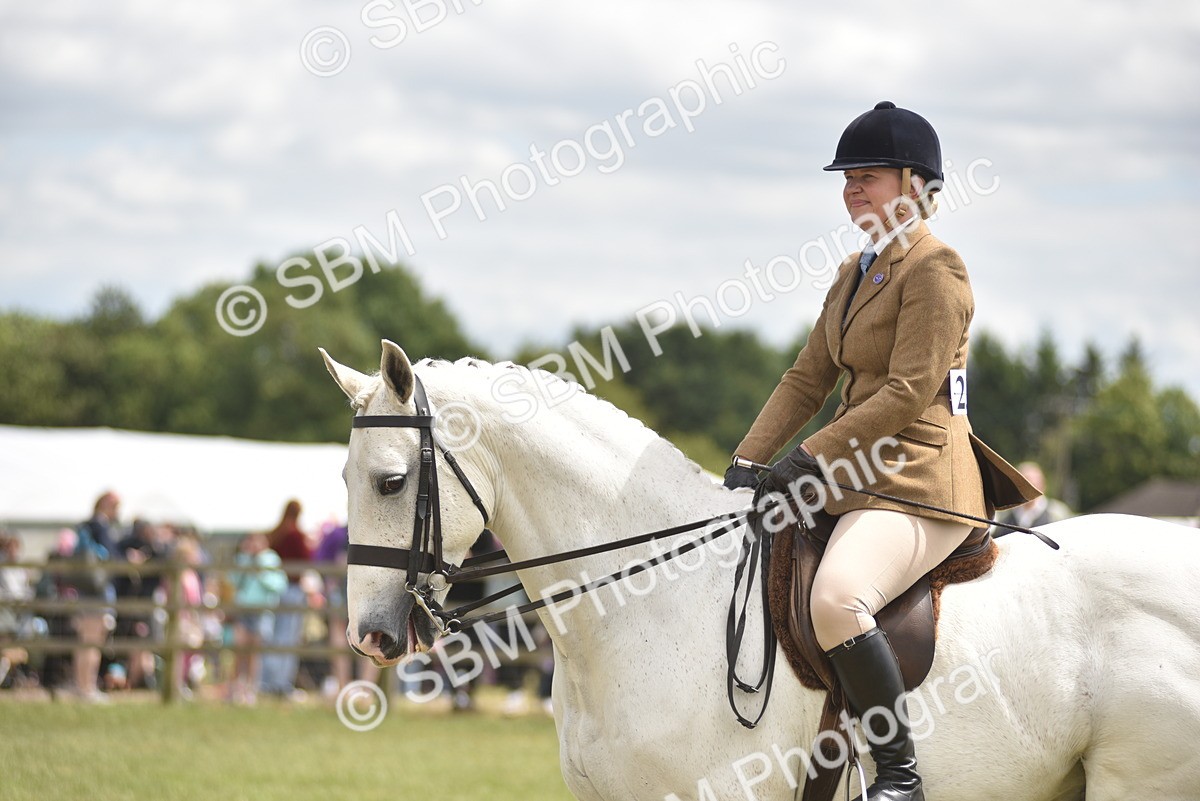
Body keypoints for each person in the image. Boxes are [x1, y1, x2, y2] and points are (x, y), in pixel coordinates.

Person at [723, 102, 1037, 801]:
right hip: (858, 478)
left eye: (867, 177)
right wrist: (749, 459)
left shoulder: (937, 268)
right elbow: (807, 378)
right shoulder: (852, 270)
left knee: (836, 599)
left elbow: (905, 389)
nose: (852, 190)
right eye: (847, 179)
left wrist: (808, 458)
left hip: (922, 480)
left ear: (916, 185)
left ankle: (900, 776)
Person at [260, 500, 315, 698]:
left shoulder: (276, 533)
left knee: (274, 637)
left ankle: (267, 681)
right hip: (292, 590)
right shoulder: (295, 535)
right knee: (288, 638)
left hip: (277, 591)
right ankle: (281, 683)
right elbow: (306, 560)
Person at [227, 532, 286, 705]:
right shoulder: (243, 559)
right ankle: (234, 689)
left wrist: (261, 571)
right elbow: (234, 580)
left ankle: (250, 690)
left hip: (261, 611)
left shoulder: (270, 560)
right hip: (243, 609)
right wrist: (245, 560)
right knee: (239, 650)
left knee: (255, 653)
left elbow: (278, 585)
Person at [992, 462, 1073, 532]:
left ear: (1043, 485)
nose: (1031, 490)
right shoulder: (1004, 517)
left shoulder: (1058, 514)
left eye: (1035, 483)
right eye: (1025, 484)